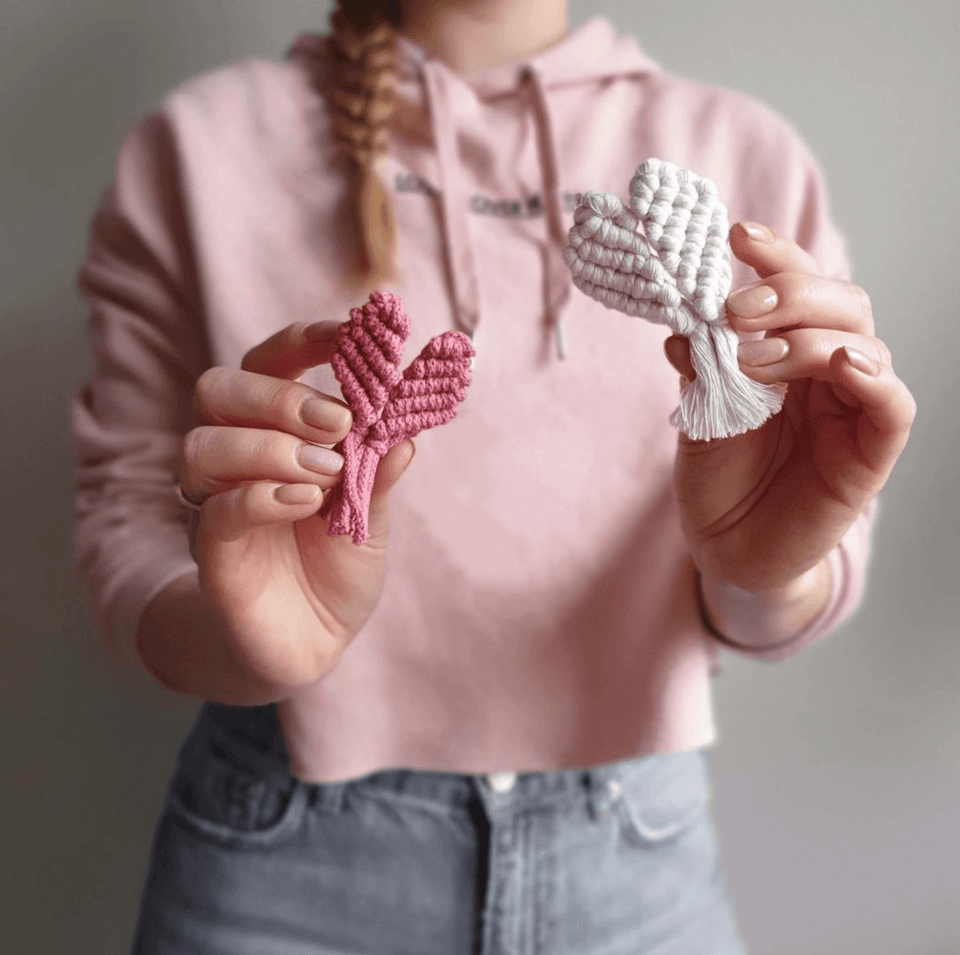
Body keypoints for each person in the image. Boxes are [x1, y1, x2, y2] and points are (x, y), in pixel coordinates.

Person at [72, 1, 916, 952]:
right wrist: (247, 643)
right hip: (283, 866)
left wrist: (769, 566)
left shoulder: (746, 152)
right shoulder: (197, 150)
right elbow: (126, 521)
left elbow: (781, 597)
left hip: (634, 869)